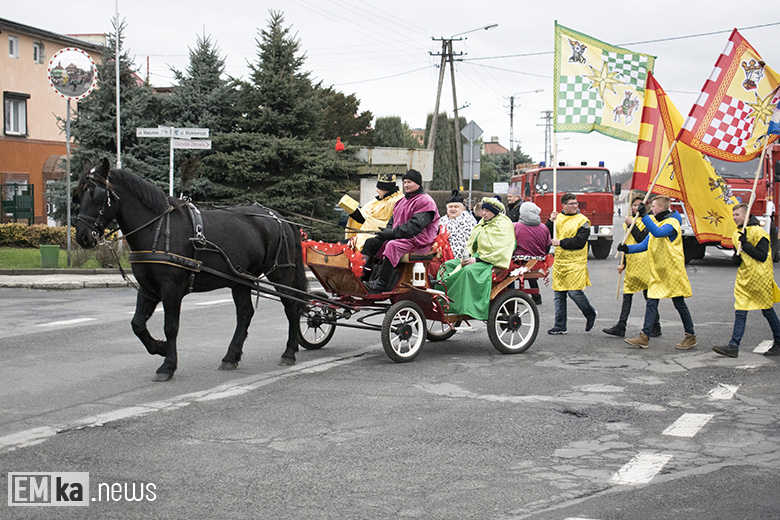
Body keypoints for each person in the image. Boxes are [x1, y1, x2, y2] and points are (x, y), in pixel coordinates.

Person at [617, 196, 697, 350]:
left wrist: (644, 217)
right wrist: (627, 249)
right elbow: (645, 244)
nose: (651, 209)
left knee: (679, 304)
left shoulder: (672, 223)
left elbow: (659, 233)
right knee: (651, 302)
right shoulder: (657, 222)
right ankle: (644, 336)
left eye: (653, 206)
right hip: (658, 271)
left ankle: (690, 336)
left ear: (661, 207)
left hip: (672, 271)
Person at [712, 203, 780, 357]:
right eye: (733, 215)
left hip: (760, 278)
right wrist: (737, 257)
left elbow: (762, 256)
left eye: (737, 215)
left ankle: (779, 340)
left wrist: (746, 244)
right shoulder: (737, 233)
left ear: (746, 215)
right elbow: (742, 256)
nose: (734, 218)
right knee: (741, 311)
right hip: (745, 278)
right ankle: (733, 345)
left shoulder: (758, 232)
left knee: (767, 310)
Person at [435, 197, 515, 320]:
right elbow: (471, 245)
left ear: (494, 212)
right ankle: (445, 303)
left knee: (467, 271)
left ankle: (465, 306)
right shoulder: (482, 223)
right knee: (447, 265)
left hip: (491, 262)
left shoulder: (503, 225)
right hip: (476, 257)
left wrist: (477, 260)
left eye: (487, 211)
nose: (483, 213)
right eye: (483, 210)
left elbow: (501, 250)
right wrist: (465, 257)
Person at [361, 169, 440, 293]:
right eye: (404, 182)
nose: (406, 185)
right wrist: (386, 233)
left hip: (417, 242)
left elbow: (414, 226)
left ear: (418, 184)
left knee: (392, 245)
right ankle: (362, 278)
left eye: (410, 182)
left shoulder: (426, 201)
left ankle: (381, 283)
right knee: (371, 243)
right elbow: (392, 222)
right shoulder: (401, 201)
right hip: (401, 238)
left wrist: (392, 234)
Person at [603, 195, 661, 337]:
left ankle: (656, 325)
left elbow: (641, 238)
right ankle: (621, 325)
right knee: (627, 295)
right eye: (633, 205)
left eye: (638, 205)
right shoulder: (628, 221)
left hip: (644, 262)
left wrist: (631, 225)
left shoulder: (651, 221)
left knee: (648, 296)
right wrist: (622, 263)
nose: (635, 208)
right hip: (632, 261)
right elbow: (627, 242)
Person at [546, 193, 598, 334]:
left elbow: (579, 242)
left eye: (576, 203)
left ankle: (590, 313)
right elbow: (546, 233)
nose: (575, 206)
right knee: (559, 294)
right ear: (563, 205)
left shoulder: (583, 221)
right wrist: (551, 221)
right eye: (571, 203)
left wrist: (561, 242)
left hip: (576, 261)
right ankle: (560, 325)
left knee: (574, 292)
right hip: (560, 261)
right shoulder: (558, 218)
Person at [340, 173, 403, 251]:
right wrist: (352, 212)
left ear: (386, 189)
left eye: (379, 189)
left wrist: (368, 220)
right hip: (366, 235)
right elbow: (364, 219)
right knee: (341, 244)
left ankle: (362, 263)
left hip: (378, 236)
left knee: (363, 244)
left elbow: (383, 222)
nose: (377, 191)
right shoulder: (378, 200)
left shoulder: (396, 200)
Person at [512, 202, 550, 305]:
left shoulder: (515, 226)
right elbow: (547, 245)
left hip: (519, 262)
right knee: (531, 267)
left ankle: (513, 295)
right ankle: (536, 296)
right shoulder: (544, 228)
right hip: (538, 261)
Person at [439, 189, 477, 259]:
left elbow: (466, 242)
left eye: (456, 207)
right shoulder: (441, 220)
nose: (453, 209)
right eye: (450, 207)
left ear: (462, 208)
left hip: (458, 257)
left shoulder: (468, 221)